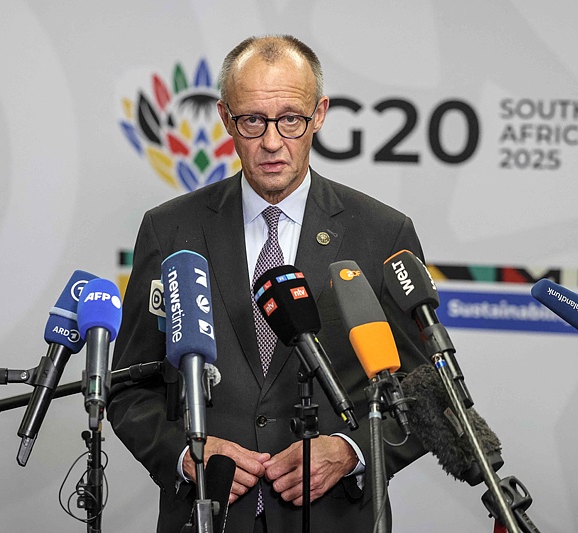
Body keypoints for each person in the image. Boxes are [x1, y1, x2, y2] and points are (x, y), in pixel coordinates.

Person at [108, 34, 431, 533]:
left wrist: (351, 451)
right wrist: (184, 453)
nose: (273, 142)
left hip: (330, 517)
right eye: (253, 121)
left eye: (291, 119)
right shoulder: (169, 229)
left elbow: (429, 394)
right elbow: (128, 388)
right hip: (208, 513)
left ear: (319, 114)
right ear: (225, 118)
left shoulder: (382, 233)